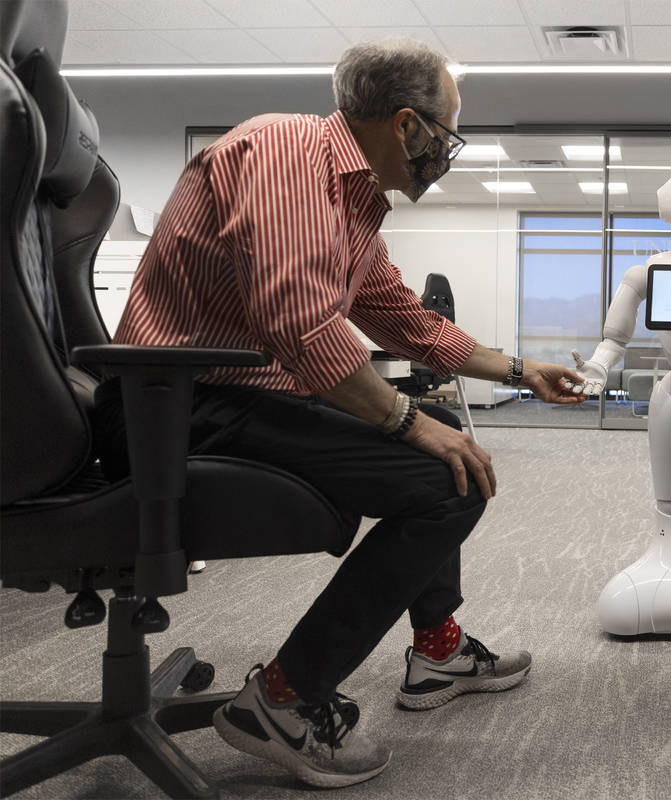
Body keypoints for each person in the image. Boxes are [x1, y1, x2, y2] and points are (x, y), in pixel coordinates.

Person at [93, 39, 586, 788]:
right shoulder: (287, 156)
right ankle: (283, 703)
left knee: (444, 450)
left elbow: (404, 319)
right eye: (447, 132)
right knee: (442, 475)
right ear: (405, 125)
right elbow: (301, 325)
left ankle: (437, 650)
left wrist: (520, 369)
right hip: (174, 412)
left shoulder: (349, 197)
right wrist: (404, 421)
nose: (447, 151)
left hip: (221, 396)